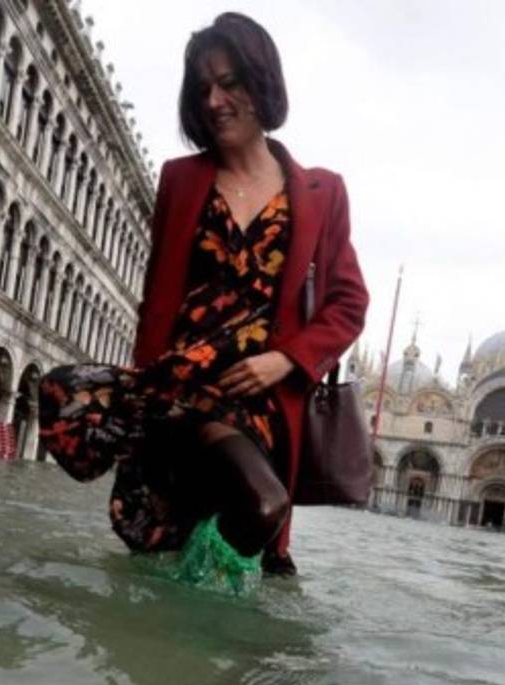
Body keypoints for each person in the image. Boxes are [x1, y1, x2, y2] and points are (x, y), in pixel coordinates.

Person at [38, 12, 368, 588]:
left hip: (262, 398)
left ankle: (193, 627)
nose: (215, 100)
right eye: (203, 88)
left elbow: (349, 301)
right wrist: (145, 392)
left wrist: (286, 358)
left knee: (258, 532)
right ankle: (193, 607)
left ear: (261, 82)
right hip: (185, 391)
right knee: (262, 507)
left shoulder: (322, 191)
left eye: (230, 82)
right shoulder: (181, 179)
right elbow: (158, 296)